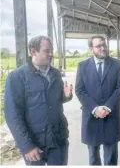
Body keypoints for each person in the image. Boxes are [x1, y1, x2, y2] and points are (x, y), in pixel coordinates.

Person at [4, 36, 73, 165]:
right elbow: (12, 115)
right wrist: (27, 146)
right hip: (34, 143)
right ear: (33, 51)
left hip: (58, 139)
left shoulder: (56, 74)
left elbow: (54, 102)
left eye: (51, 50)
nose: (51, 54)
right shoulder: (17, 78)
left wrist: (66, 96)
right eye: (46, 51)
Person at [75, 35, 120, 165]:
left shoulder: (116, 64)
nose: (103, 48)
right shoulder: (82, 66)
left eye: (104, 45)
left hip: (111, 115)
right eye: (98, 46)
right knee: (93, 157)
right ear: (91, 48)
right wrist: (95, 108)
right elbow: (80, 90)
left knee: (111, 158)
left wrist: (107, 107)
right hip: (91, 117)